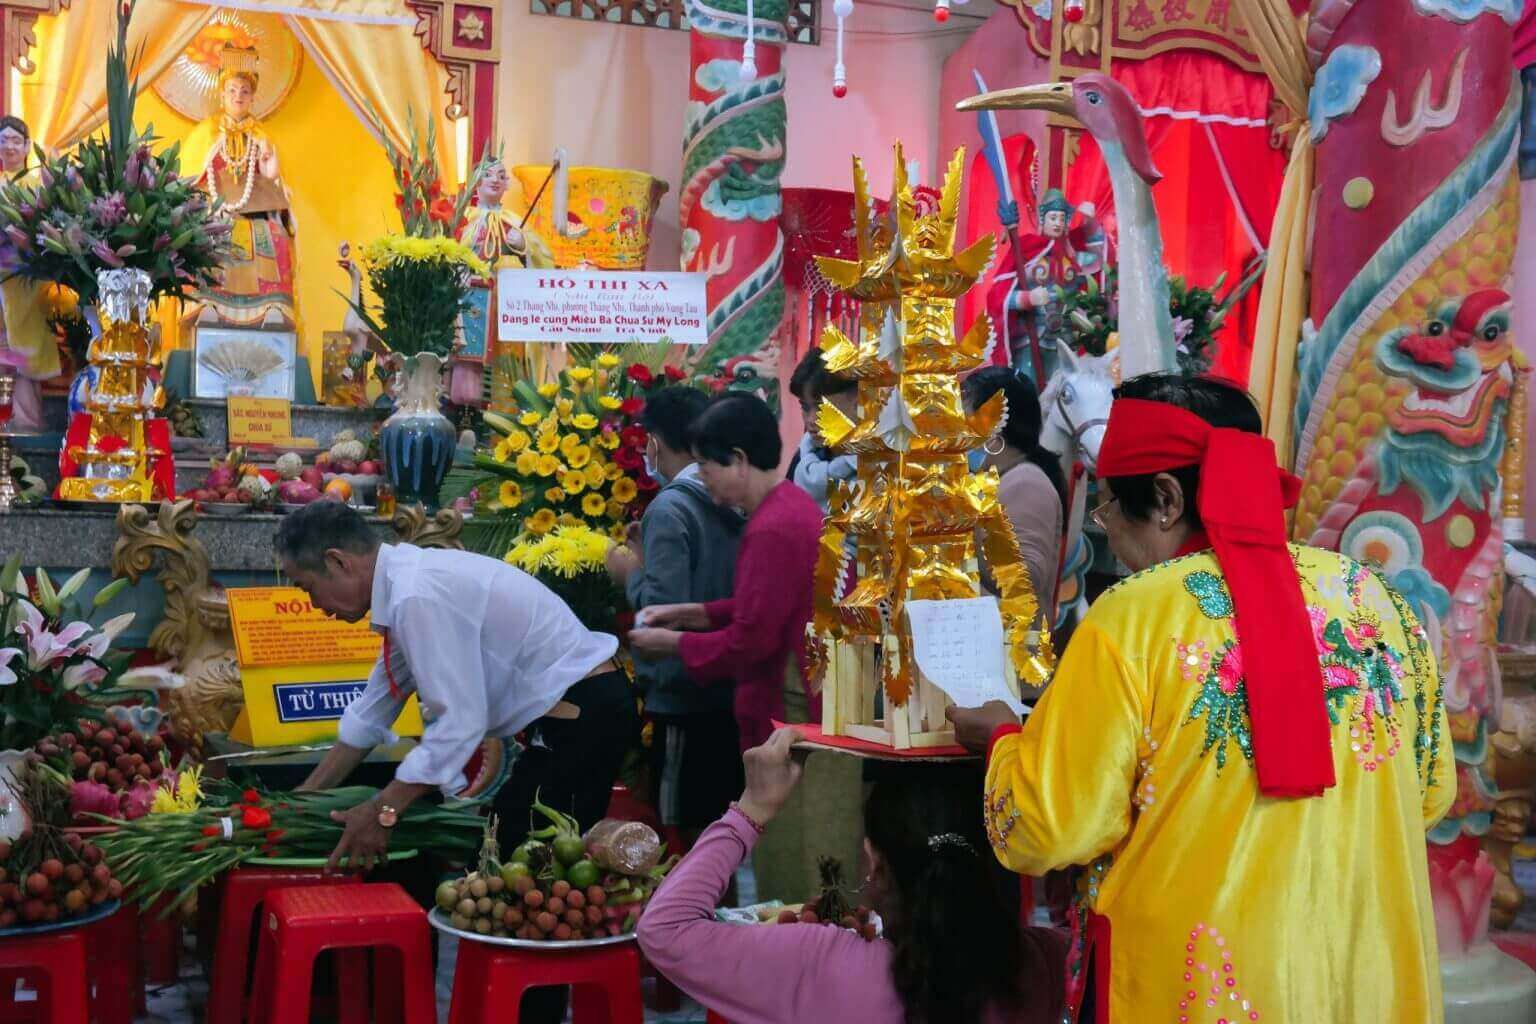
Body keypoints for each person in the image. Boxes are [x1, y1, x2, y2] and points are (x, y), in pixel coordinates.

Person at [947, 374, 1455, 1023]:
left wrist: (997, 739)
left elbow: (1051, 827)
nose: (1108, 531)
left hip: (1196, 988)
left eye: (1107, 507)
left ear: (1164, 499)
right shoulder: (1377, 600)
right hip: (1359, 975)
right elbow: (1431, 793)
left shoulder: (1132, 617)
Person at [276, 501, 638, 867]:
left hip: (585, 716)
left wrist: (383, 811)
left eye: (308, 588)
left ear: (338, 562)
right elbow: (375, 707)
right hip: (576, 711)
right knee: (505, 858)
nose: (315, 605)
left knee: (524, 866)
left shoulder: (415, 594)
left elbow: (461, 723)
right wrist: (300, 802)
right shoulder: (403, 585)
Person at [638, 727, 1067, 1023]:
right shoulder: (1048, 961)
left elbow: (664, 927)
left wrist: (750, 810)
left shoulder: (820, 962)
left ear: (873, 862)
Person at [628, 391, 823, 748]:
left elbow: (752, 640)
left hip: (787, 715)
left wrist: (673, 643)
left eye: (705, 466)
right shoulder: (788, 506)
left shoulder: (773, 527)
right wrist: (694, 613)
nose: (702, 477)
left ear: (738, 460)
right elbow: (767, 607)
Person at [605, 385, 744, 844]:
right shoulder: (728, 499)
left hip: (684, 697)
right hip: (727, 687)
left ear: (656, 443)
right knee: (724, 828)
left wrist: (629, 572)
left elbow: (662, 611)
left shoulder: (671, 507)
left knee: (686, 832)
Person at [192, 45, 296, 328]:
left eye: (245, 92)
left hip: (254, 214)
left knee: (275, 235)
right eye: (233, 91)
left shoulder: (261, 134)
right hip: (215, 212)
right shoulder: (206, 132)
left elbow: (272, 178)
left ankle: (270, 305)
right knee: (204, 235)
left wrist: (269, 161)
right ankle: (209, 302)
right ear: (223, 94)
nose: (238, 96)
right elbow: (190, 176)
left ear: (253, 97)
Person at [962, 367, 1065, 628]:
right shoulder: (995, 479)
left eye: (965, 416)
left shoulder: (1027, 482)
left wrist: (958, 533)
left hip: (1009, 655)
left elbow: (1023, 580)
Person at [986, 190, 1105, 384]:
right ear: (1043, 219)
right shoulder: (1028, 249)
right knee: (1028, 393)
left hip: (1064, 341)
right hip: (1029, 339)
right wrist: (1027, 299)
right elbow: (997, 295)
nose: (1057, 222)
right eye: (1053, 217)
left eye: (1061, 218)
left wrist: (1091, 225)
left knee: (1064, 394)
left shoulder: (1072, 258)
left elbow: (1099, 263)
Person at [0, 115, 56, 433]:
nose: (9, 146)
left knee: (24, 352)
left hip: (25, 280)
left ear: (26, 147)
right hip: (2, 278)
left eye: (15, 141)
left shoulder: (36, 183)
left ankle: (26, 422)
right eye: (4, 140)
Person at [788, 349, 858, 514]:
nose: (811, 420)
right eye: (805, 407)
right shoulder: (804, 458)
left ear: (858, 403)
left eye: (822, 407)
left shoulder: (888, 466)